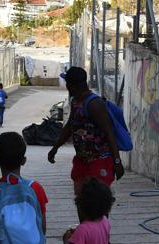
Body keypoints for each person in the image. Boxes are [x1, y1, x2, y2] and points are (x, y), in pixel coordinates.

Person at [48, 67, 125, 196]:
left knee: (98, 205)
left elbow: (109, 132)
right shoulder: (75, 102)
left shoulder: (94, 104)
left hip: (99, 162)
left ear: (71, 86)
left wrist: (117, 162)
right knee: (81, 202)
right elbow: (70, 126)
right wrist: (55, 147)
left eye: (67, 83)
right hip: (82, 162)